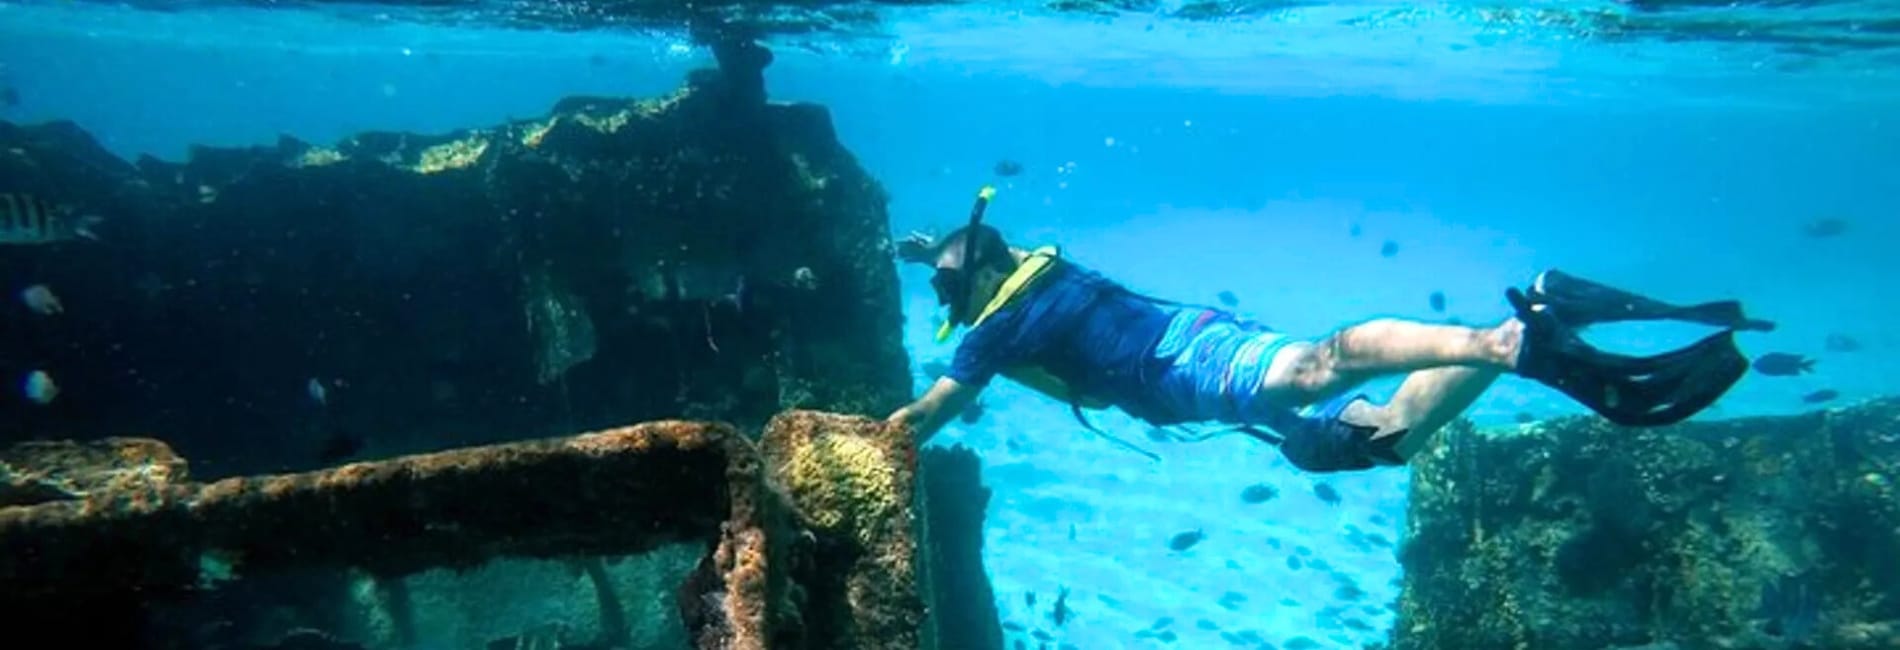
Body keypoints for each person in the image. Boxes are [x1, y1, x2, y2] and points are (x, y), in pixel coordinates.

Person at [883, 187, 1774, 472]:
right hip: (1199, 346)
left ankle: (1502, 344)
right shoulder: (1038, 270)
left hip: (1192, 367)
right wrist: (936, 250)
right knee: (1379, 440)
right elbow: (978, 252)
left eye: (952, 284)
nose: (949, 300)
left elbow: (931, 413)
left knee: (1319, 367)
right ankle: (1529, 315)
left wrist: (863, 442)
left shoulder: (993, 333)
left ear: (985, 278)